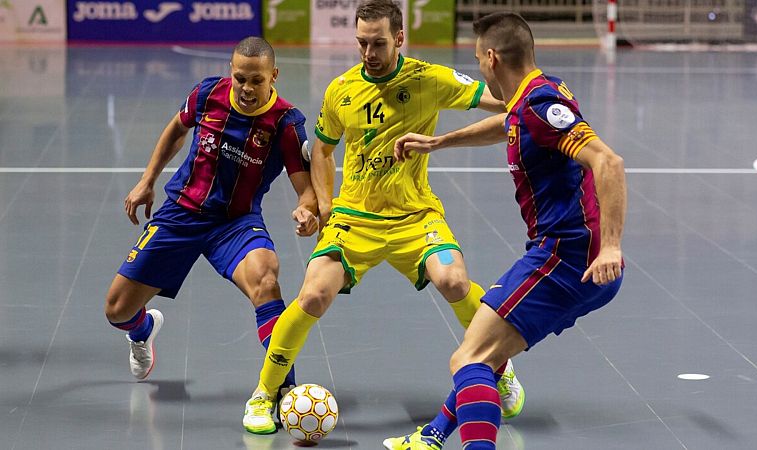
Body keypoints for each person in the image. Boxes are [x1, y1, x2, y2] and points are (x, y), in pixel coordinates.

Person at [241, 0, 525, 434]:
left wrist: (532, 98)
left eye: (377, 43)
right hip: (355, 217)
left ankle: (498, 368)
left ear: (399, 38)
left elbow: (506, 105)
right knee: (314, 295)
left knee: (454, 282)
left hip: (415, 215)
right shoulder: (342, 89)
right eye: (361, 43)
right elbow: (322, 149)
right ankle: (264, 393)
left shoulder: (430, 78)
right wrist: (322, 203)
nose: (368, 53)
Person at [383, 12, 627, 450]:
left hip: (567, 257)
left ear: (492, 58)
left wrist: (611, 247)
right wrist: (438, 142)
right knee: (487, 353)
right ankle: (435, 433)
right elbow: (508, 123)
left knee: (469, 357)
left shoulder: (540, 104)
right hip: (565, 254)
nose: (479, 66)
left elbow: (608, 162)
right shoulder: (531, 98)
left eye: (478, 58)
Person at [102, 36, 318, 435]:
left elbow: (305, 187)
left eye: (256, 80)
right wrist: (147, 180)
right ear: (230, 73)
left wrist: (308, 211)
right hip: (181, 214)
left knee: (267, 280)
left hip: (235, 223)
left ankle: (282, 390)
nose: (247, 89)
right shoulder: (207, 93)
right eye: (240, 79)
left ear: (274, 76)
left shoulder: (286, 123)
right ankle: (143, 330)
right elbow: (175, 129)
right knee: (116, 310)